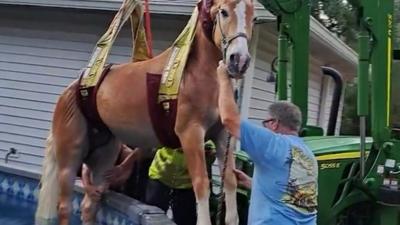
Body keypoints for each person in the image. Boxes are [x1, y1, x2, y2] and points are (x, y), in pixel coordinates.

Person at [216, 62, 318, 225]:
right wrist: (251, 183)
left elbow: (229, 119)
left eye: (266, 122)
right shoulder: (307, 154)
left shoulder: (274, 144)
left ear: (274, 123)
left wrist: (223, 79)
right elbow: (292, 191)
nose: (265, 126)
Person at [145, 140, 216, 225]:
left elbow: (212, 146)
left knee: (185, 221)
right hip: (160, 177)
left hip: (186, 185)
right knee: (151, 219)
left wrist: (209, 151)